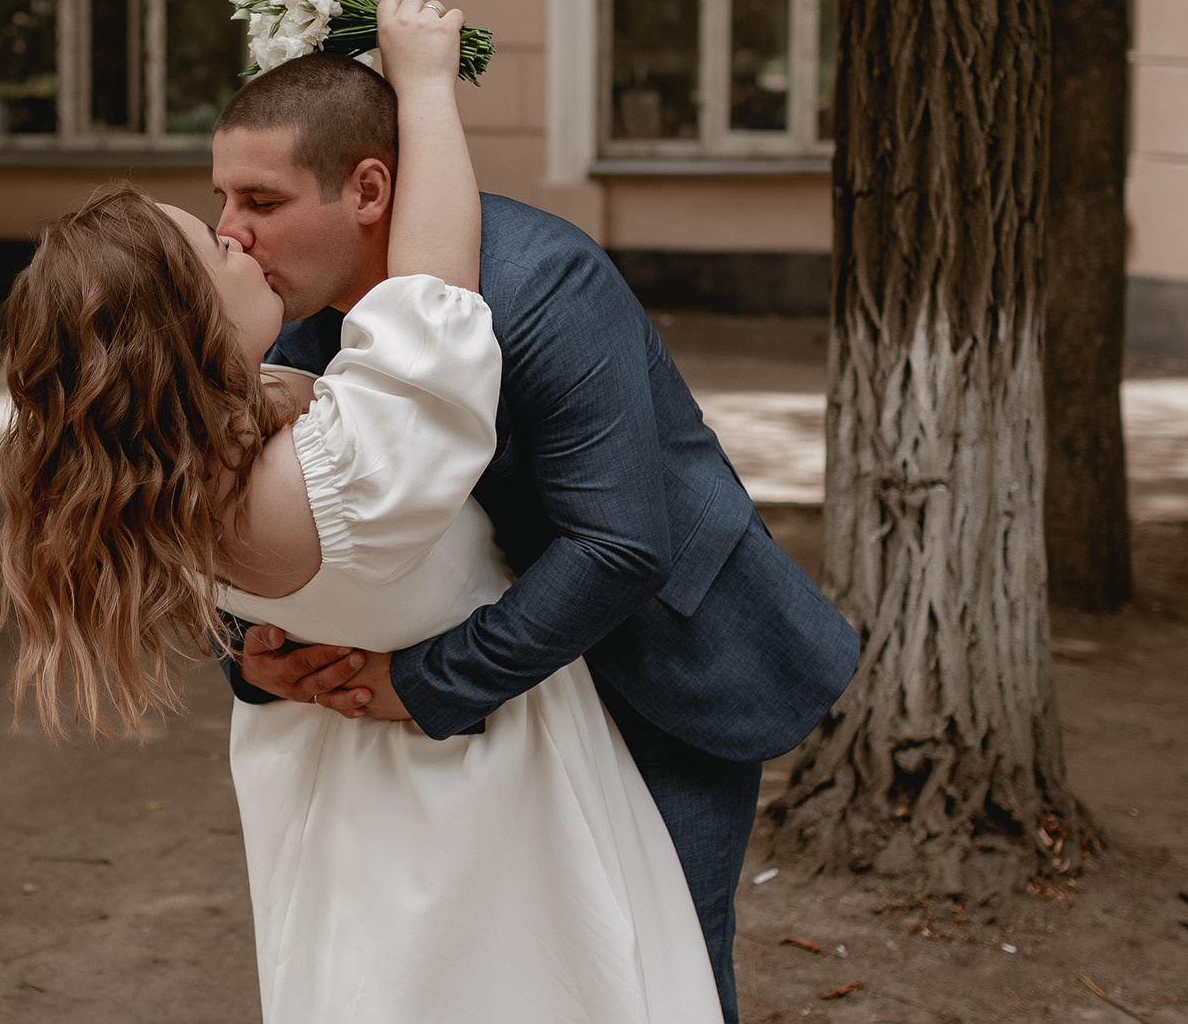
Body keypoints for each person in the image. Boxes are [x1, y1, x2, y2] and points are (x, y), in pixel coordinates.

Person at [0, 0, 723, 1022]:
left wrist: (249, 647)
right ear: (186, 333)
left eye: (245, 211)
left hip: (374, 780)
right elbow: (431, 307)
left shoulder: (174, 466)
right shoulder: (344, 459)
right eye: (214, 238)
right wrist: (424, 82)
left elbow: (618, 538)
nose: (238, 238)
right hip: (484, 781)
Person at [208, 54, 863, 1023]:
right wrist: (247, 656)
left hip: (654, 659)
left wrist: (423, 682)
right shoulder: (286, 316)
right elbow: (244, 510)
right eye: (219, 196)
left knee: (663, 958)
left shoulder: (541, 278)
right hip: (503, 705)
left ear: (368, 191)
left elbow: (619, 545)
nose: (229, 230)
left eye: (259, 197)